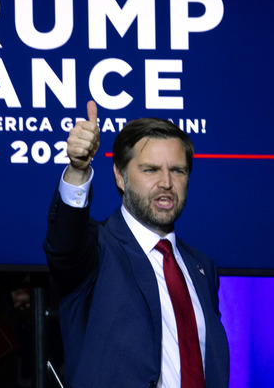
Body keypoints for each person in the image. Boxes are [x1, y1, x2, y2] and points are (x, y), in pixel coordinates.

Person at [44, 101, 229, 387]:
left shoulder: (201, 267)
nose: (166, 182)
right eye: (151, 170)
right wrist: (78, 170)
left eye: (178, 171)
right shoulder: (97, 248)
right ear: (120, 175)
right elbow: (63, 247)